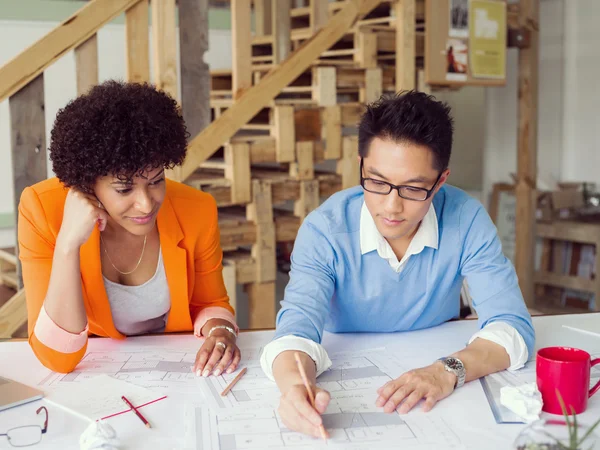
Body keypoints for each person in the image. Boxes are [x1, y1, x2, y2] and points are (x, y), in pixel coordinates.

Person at [260, 91, 535, 438]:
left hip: (436, 377)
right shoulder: (324, 229)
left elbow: (511, 325)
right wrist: (293, 388)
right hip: (346, 365)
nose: (391, 206)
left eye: (412, 189)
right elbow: (296, 331)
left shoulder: (466, 218)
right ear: (361, 165)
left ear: (441, 181)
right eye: (376, 182)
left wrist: (447, 370)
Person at [18, 81, 239, 377]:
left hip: (175, 372)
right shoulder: (42, 210)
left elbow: (210, 302)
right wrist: (68, 244)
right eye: (124, 189)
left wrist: (221, 332)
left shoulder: (196, 210)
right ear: (87, 183)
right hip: (100, 374)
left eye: (156, 180)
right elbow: (58, 359)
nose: (147, 204)